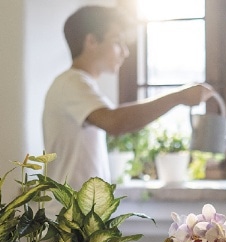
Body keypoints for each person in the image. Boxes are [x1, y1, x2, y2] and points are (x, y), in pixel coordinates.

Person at [43, 5, 214, 189]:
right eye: (117, 42)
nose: (125, 52)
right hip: (66, 214)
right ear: (91, 41)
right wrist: (178, 97)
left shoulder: (80, 84)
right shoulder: (72, 83)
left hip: (78, 214)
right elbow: (115, 121)